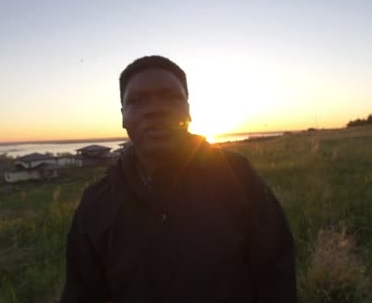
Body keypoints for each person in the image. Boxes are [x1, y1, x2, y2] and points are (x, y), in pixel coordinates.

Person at [60, 55, 296, 302]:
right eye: (137, 100)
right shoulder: (97, 202)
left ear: (188, 109)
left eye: (171, 97)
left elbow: (275, 270)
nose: (155, 109)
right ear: (123, 116)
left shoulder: (236, 174)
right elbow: (81, 292)